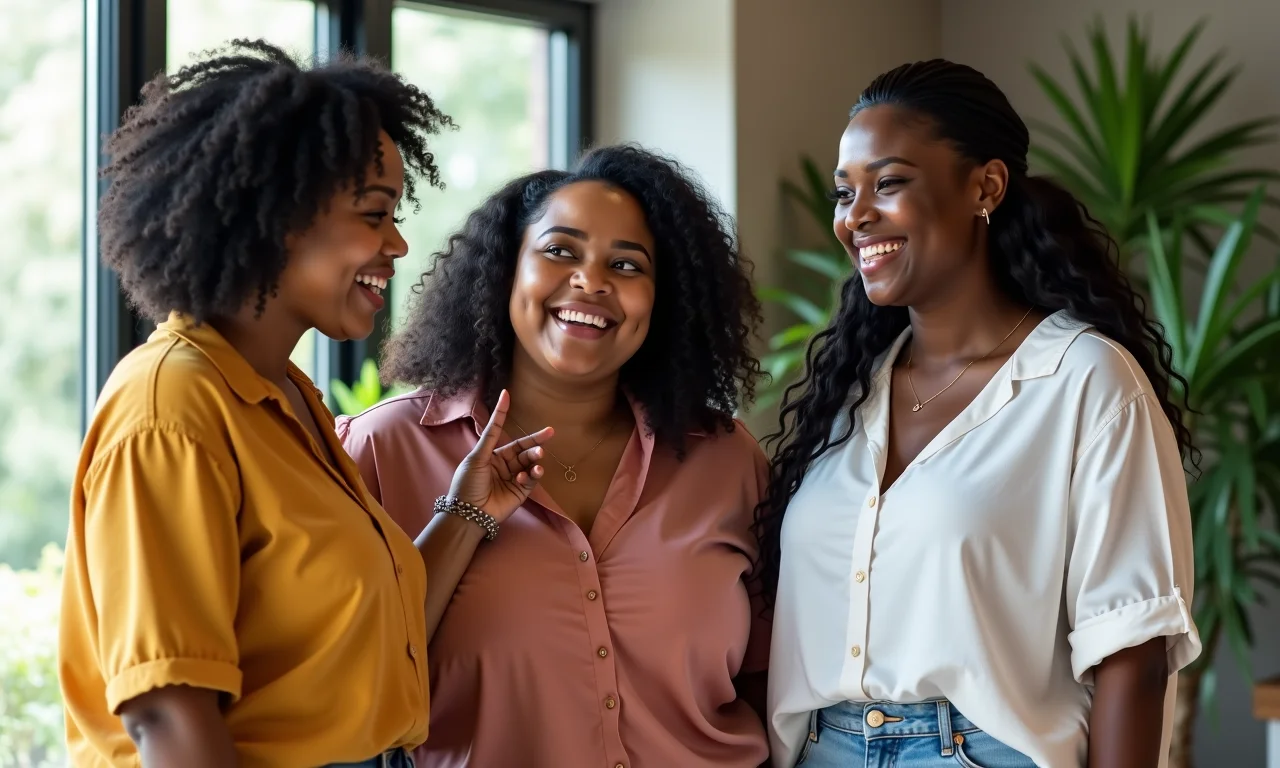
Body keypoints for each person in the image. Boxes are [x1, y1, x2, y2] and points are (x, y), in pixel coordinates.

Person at [59, 40, 551, 768]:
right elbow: (167, 712)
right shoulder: (171, 409)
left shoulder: (286, 398)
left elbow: (361, 648)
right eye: (374, 212)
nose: (399, 242)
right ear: (277, 212)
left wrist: (464, 512)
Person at [756, 60, 1202, 768]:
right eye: (846, 192)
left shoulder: (1084, 382)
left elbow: (1133, 653)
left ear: (985, 186)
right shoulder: (847, 395)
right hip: (817, 749)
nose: (855, 215)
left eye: (889, 182)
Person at [338, 144, 771, 768]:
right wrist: (462, 520)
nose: (591, 281)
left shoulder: (727, 461)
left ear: (663, 299)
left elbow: (767, 682)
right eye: (560, 251)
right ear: (506, 270)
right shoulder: (383, 450)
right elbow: (350, 679)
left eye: (627, 265)